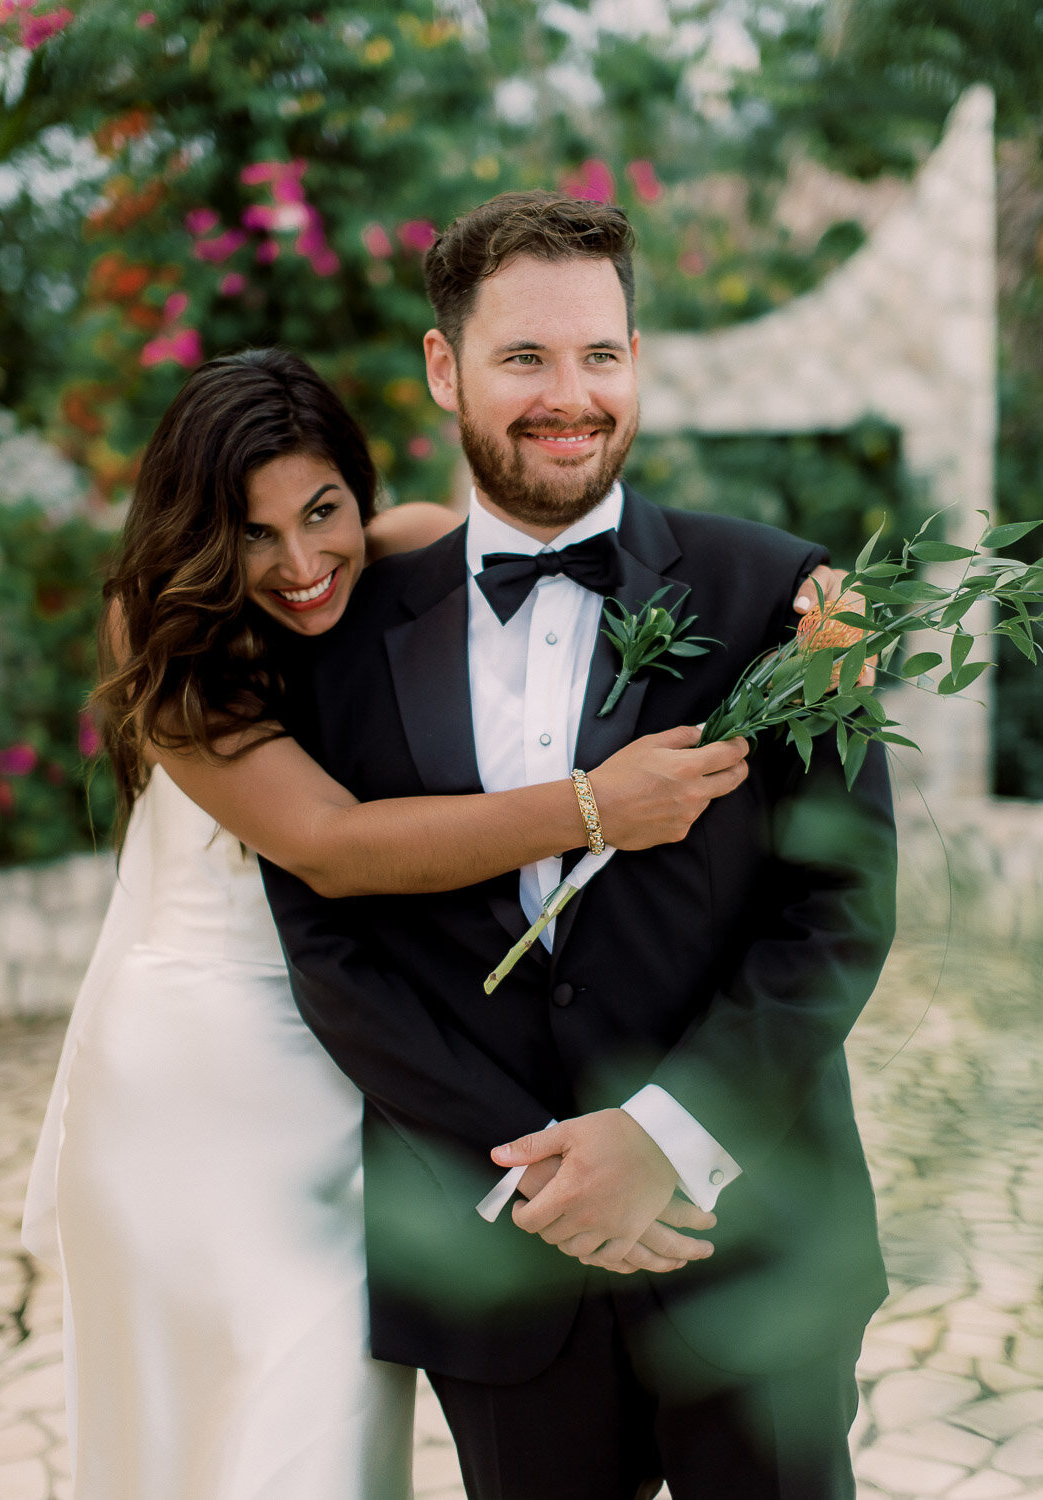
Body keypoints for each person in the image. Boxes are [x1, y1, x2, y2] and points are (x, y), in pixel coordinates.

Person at [24, 345, 832, 1500]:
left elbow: (551, 553)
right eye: (253, 535)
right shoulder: (160, 641)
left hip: (355, 1069)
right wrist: (599, 807)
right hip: (203, 1076)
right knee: (250, 1417)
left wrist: (805, 592)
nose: (302, 563)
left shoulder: (397, 549)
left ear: (359, 493)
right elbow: (332, 847)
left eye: (323, 511)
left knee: (344, 1425)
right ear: (198, 534)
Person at [260, 193, 898, 1500]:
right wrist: (530, 1172)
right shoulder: (335, 631)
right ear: (444, 368)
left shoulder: (780, 598)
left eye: (599, 355)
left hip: (753, 1232)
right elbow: (330, 940)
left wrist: (662, 1137)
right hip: (496, 1263)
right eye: (524, 358)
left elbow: (833, 910)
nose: (571, 395)